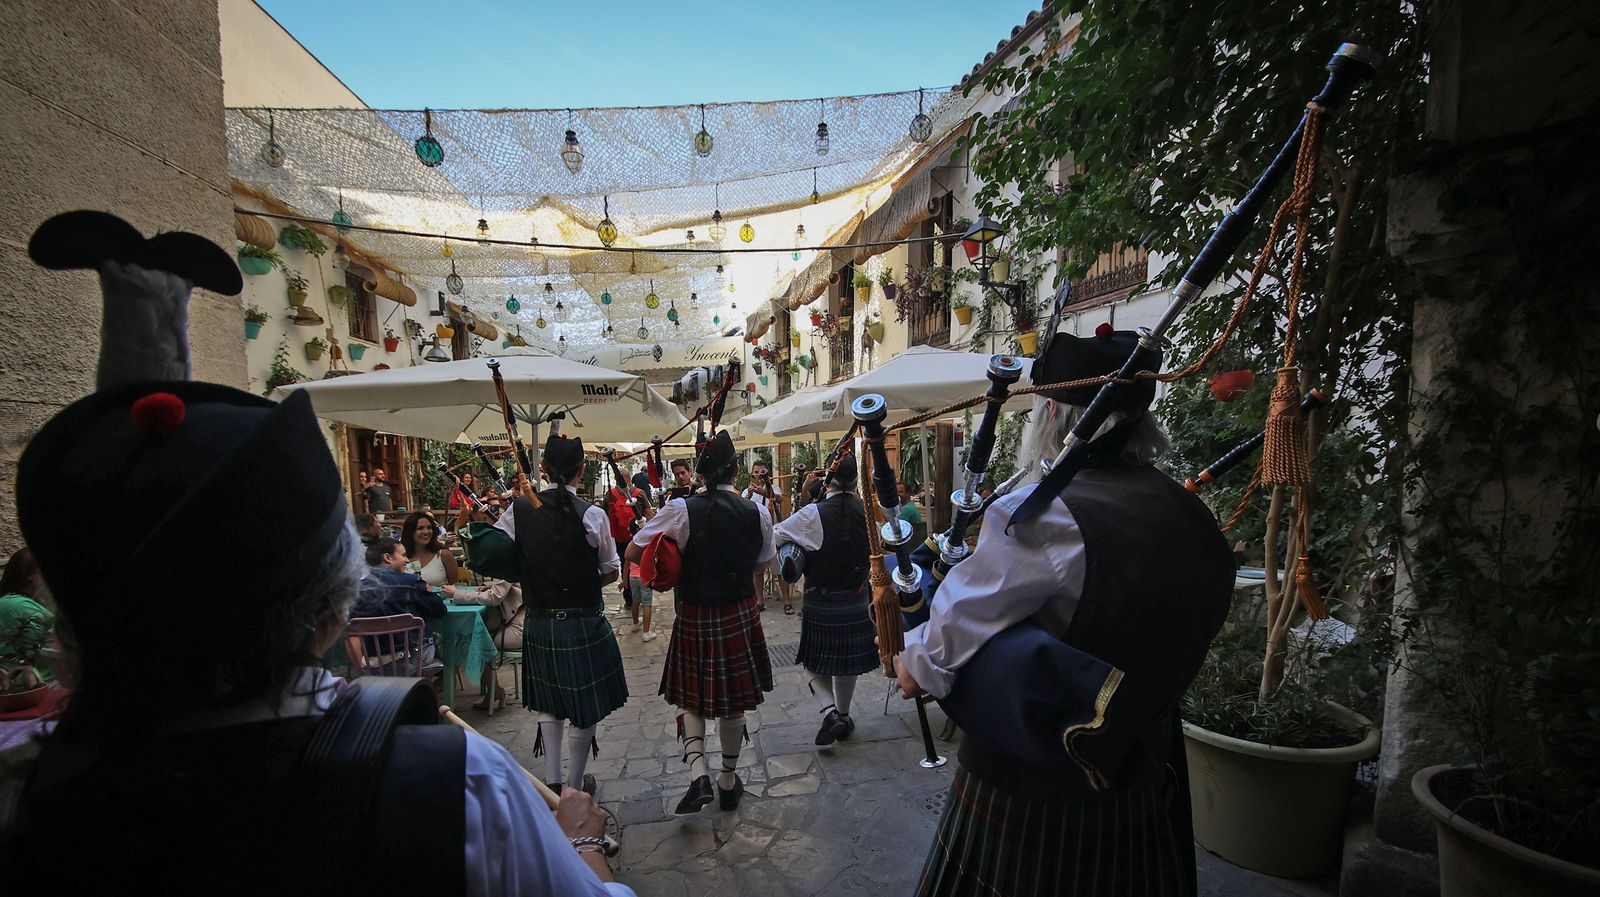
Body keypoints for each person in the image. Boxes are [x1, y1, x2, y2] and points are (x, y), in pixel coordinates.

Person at [0, 209, 630, 895]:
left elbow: (503, 556)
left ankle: (562, 767)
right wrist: (580, 839)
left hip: (546, 623)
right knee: (575, 721)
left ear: (65, 628)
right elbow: (606, 568)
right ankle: (570, 779)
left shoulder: (23, 794)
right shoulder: (467, 784)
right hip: (575, 627)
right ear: (333, 607)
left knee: (554, 713)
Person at [893, 329, 1234, 897]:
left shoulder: (1043, 519)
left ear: (1050, 413)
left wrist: (908, 658)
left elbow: (928, 662)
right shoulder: (1188, 511)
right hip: (1143, 771)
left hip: (1034, 787)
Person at [625, 430, 774, 815]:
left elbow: (633, 550)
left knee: (689, 697)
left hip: (695, 612)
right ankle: (727, 781)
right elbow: (763, 563)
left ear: (700, 474)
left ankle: (698, 776)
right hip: (740, 613)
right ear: (737, 470)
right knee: (733, 703)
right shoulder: (757, 512)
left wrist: (672, 557)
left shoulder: (680, 510)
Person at [492, 433, 629, 796]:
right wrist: (580, 580)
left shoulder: (519, 509)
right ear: (581, 471)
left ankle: (553, 784)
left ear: (543, 468)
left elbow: (495, 551)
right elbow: (611, 570)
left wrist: (532, 572)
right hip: (583, 620)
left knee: (550, 704)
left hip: (539, 621)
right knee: (583, 706)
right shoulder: (593, 514)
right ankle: (574, 787)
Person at [772, 456, 874, 744]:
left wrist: (796, 546)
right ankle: (844, 715)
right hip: (857, 598)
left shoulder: (811, 514)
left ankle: (830, 714)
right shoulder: (868, 512)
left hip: (822, 599)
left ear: (828, 478)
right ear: (855, 479)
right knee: (847, 664)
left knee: (813, 663)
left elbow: (776, 536)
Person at [354, 537, 446, 663]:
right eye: (403, 555)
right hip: (413, 658)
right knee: (444, 646)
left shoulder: (356, 589)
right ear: (388, 558)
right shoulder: (411, 582)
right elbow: (440, 611)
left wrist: (362, 665)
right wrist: (427, 593)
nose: (407, 560)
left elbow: (353, 632)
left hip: (373, 663)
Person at [451, 577, 523, 711]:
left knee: (475, 641)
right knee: (474, 637)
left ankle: (494, 691)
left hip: (518, 629)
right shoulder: (510, 566)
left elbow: (493, 598)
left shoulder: (507, 566)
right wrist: (488, 585)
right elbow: (505, 583)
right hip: (518, 622)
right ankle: (493, 691)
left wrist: (456, 593)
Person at [0, 548, 54, 688]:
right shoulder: (19, 605)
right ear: (29, 574)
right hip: (38, 685)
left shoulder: (14, 600)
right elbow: (61, 639)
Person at [741, 458, 783, 609]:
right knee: (757, 570)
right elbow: (741, 508)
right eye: (756, 472)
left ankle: (786, 601)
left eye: (761, 472)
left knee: (778, 568)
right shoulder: (747, 491)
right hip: (755, 533)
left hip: (773, 531)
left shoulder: (773, 487)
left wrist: (764, 492)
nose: (758, 475)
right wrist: (748, 497)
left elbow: (779, 499)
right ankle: (760, 600)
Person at [400, 511, 460, 594]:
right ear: (410, 531)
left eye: (429, 527)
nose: (426, 532)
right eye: (420, 528)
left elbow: (455, 587)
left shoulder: (444, 554)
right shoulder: (400, 556)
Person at [897, 481, 928, 549]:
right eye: (896, 492)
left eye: (900, 492)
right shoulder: (910, 505)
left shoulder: (907, 509)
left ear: (908, 493)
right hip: (913, 544)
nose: (897, 494)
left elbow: (896, 529)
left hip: (909, 546)